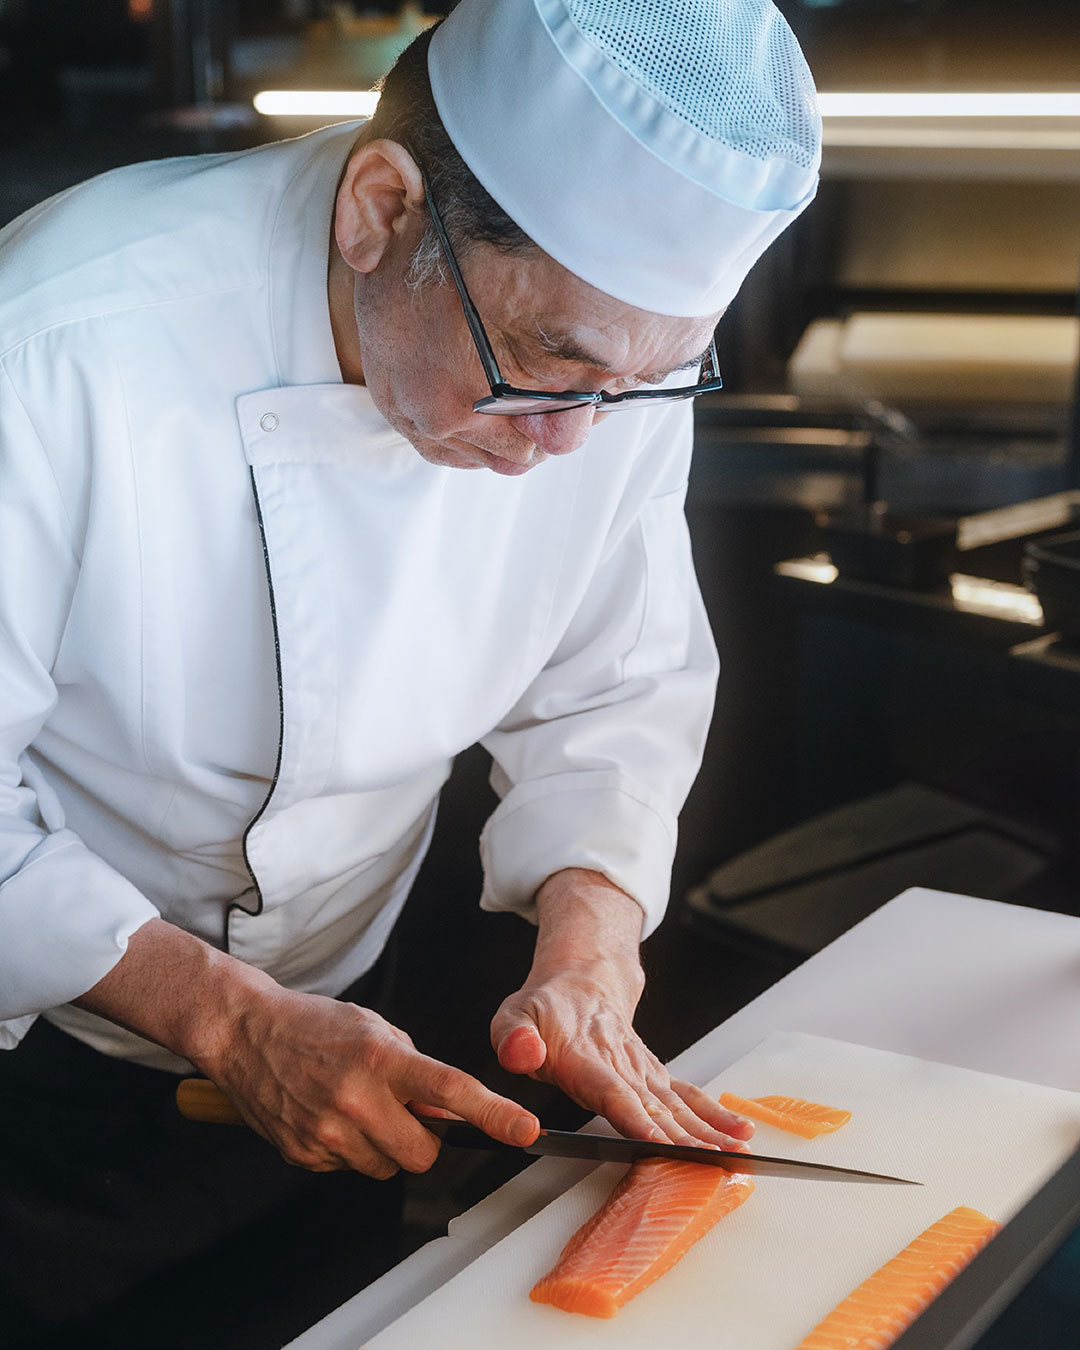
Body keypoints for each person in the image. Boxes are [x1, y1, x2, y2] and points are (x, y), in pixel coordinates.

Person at [0, 0, 820, 1342]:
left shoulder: (610, 374)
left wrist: (591, 952)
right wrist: (224, 1019)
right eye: (548, 365)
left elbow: (616, 686)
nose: (576, 443)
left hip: (353, 1048)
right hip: (52, 1078)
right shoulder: (51, 344)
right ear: (378, 212)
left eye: (644, 385)